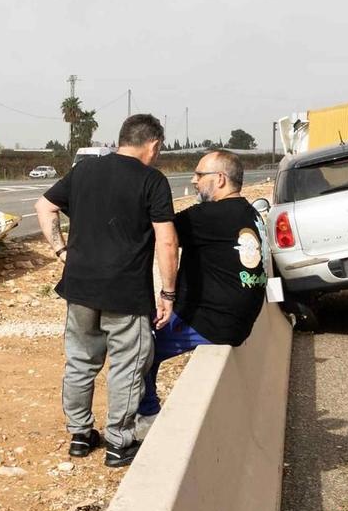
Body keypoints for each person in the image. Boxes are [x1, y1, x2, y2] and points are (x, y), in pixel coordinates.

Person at [34, 114, 179, 468]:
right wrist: (168, 294)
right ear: (154, 144)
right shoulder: (153, 181)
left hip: (80, 288)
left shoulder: (85, 170)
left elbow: (44, 207)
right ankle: (119, 442)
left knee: (81, 362)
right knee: (127, 365)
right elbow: (166, 240)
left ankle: (80, 436)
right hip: (126, 293)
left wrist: (61, 251)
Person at [137, 148, 268, 436]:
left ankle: (146, 417)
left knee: (138, 349)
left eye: (199, 175)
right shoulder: (249, 211)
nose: (194, 181)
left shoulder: (210, 215)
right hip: (238, 319)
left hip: (213, 321)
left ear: (219, 179)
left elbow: (161, 232)